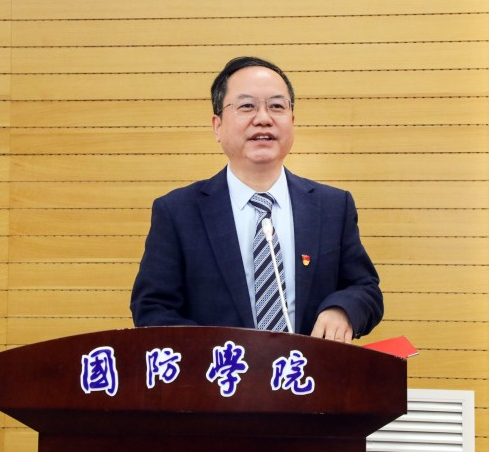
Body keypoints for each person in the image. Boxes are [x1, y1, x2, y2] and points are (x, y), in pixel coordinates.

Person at [130, 56, 383, 343]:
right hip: (220, 370)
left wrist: (343, 310)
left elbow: (365, 288)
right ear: (217, 125)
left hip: (307, 370)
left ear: (292, 121)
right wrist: (219, 357)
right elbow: (153, 310)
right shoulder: (178, 212)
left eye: (277, 106)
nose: (263, 118)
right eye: (247, 106)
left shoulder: (332, 206)